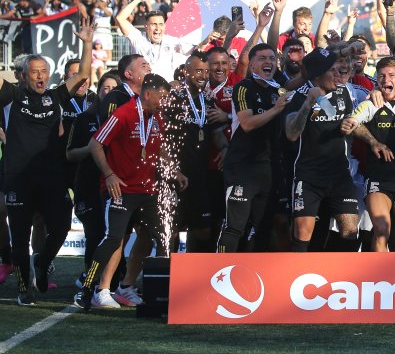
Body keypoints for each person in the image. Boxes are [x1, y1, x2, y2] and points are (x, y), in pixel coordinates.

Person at [2, 18, 93, 306]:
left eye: (44, 71)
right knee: (19, 236)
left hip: (52, 179)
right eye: (34, 72)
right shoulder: (12, 96)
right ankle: (23, 287)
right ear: (24, 76)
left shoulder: (56, 97)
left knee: (61, 227)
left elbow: (83, 75)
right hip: (18, 178)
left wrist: (87, 43)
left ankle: (42, 262)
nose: (40, 76)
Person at [75, 74, 179, 311]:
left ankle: (132, 287)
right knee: (113, 238)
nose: (163, 103)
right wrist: (109, 174)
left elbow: (159, 146)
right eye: (161, 98)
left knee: (165, 234)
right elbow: (95, 143)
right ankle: (89, 289)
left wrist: (175, 170)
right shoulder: (123, 113)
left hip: (148, 189)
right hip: (121, 189)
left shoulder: (155, 117)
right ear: (148, 94)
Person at [216, 44, 291, 253]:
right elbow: (247, 124)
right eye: (262, 58)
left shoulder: (279, 89)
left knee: (264, 227)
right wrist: (276, 109)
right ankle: (218, 274)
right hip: (243, 168)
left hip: (268, 168)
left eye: (271, 58)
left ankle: (258, 280)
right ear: (251, 65)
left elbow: (298, 83)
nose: (268, 62)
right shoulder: (244, 87)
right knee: (235, 226)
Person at [341, 57, 395, 252]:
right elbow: (352, 123)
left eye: (392, 75)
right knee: (382, 230)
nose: (386, 80)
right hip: (378, 178)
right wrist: (371, 140)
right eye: (382, 76)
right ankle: (382, 282)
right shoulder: (371, 103)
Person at [285, 48, 358, 252]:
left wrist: (360, 131)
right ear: (318, 75)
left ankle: (343, 280)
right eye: (332, 71)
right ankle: (295, 279)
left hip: (340, 174)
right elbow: (291, 133)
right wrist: (309, 103)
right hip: (308, 176)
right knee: (303, 234)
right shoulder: (299, 97)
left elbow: (353, 124)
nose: (338, 75)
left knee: (351, 231)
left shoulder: (343, 91)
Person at [160, 51, 227, 253]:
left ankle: (191, 273)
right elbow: (160, 139)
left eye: (206, 72)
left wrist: (226, 148)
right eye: (198, 71)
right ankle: (167, 276)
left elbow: (216, 133)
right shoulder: (174, 99)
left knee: (202, 231)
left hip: (200, 176)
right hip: (175, 176)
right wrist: (173, 170)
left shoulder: (207, 101)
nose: (203, 76)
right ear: (186, 72)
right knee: (169, 230)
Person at [66, 71, 120, 292]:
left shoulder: (121, 118)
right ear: (98, 92)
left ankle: (112, 279)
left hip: (112, 186)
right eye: (105, 88)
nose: (108, 93)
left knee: (113, 234)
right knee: (95, 232)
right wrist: (90, 149)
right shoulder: (84, 119)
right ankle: (90, 278)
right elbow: (69, 154)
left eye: (113, 89)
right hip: (87, 184)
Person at [115, 0, 194, 81]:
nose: (157, 28)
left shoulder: (171, 40)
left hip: (166, 90)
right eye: (154, 24)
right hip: (144, 91)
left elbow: (191, 49)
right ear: (146, 26)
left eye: (161, 24)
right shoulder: (138, 39)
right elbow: (120, 18)